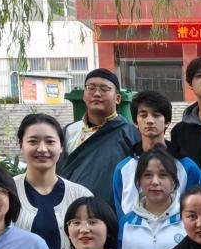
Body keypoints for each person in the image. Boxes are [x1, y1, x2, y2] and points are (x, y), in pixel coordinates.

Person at [111, 90, 201, 219]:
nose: (149, 120)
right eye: (143, 115)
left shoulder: (187, 167)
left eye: (156, 115)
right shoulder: (122, 169)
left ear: (167, 121)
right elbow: (121, 215)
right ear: (135, 122)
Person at [14, 113, 92, 249]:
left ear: (61, 146)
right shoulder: (8, 192)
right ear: (21, 146)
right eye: (33, 141)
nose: (42, 149)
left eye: (50, 142)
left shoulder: (81, 196)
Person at [59, 68, 140, 202]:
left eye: (104, 89)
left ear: (118, 98)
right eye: (91, 88)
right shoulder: (68, 131)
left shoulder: (130, 133)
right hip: (69, 208)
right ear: (84, 96)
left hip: (111, 211)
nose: (96, 93)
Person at [119, 147, 186, 249]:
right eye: (148, 175)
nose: (155, 182)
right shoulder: (125, 223)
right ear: (138, 181)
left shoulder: (187, 220)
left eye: (163, 175)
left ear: (174, 181)